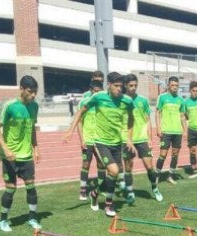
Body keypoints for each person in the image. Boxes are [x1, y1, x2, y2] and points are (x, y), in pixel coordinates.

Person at [65, 72, 134, 217]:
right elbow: (81, 112)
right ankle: (109, 204)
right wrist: (70, 131)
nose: (119, 89)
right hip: (101, 142)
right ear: (108, 85)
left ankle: (94, 193)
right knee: (114, 171)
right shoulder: (98, 97)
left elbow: (131, 119)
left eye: (121, 86)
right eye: (116, 86)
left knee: (112, 174)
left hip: (117, 143)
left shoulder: (127, 101)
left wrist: (128, 138)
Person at [0, 75, 42, 232]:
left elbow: (32, 127)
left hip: (26, 155)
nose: (33, 95)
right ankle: (3, 220)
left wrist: (36, 147)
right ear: (21, 89)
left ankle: (32, 218)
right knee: (11, 188)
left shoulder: (34, 106)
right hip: (10, 156)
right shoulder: (10, 106)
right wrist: (6, 148)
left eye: (35, 92)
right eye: (30, 91)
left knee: (31, 187)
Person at [122, 73, 163, 203]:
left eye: (135, 85)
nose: (133, 88)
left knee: (149, 166)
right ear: (125, 86)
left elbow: (147, 121)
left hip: (142, 139)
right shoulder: (120, 100)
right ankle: (129, 192)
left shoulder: (143, 100)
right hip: (127, 140)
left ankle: (155, 188)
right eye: (131, 85)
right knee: (128, 167)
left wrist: (149, 139)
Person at [154, 76, 186, 185]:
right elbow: (157, 113)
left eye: (176, 85)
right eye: (172, 85)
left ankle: (170, 176)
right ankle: (156, 176)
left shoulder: (181, 100)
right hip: (166, 131)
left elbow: (182, 116)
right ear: (168, 85)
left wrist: (185, 131)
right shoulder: (162, 97)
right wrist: (158, 128)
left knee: (175, 155)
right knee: (163, 154)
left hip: (177, 132)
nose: (174, 87)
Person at [77, 76, 105, 201]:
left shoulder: (104, 104)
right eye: (95, 91)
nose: (97, 93)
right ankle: (83, 190)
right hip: (88, 139)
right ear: (91, 91)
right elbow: (79, 122)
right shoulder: (84, 103)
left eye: (99, 91)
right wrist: (82, 139)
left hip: (100, 140)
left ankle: (101, 187)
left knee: (101, 164)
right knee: (86, 164)